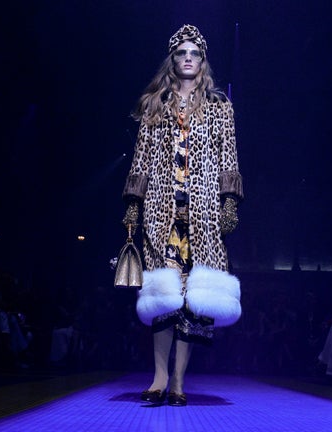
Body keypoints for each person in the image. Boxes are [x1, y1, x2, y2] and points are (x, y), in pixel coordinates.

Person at [121, 24, 244, 406]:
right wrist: (133, 204)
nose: (187, 57)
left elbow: (229, 155)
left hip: (203, 216)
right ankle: (158, 377)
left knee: (193, 301)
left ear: (203, 61)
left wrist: (229, 201)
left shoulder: (220, 106)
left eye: (194, 52)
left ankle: (177, 380)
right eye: (181, 52)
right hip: (160, 212)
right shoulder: (154, 103)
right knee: (163, 297)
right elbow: (141, 157)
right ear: (172, 60)